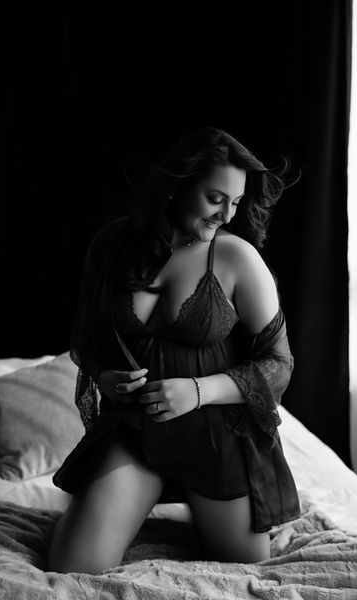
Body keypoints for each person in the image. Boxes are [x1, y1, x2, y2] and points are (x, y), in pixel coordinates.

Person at [47, 126, 300, 574]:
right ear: (179, 184)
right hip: (137, 431)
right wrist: (107, 377)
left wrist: (197, 391)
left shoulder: (236, 257)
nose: (226, 214)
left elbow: (279, 364)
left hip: (218, 438)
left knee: (245, 568)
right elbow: (89, 339)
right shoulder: (111, 246)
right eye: (215, 198)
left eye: (236, 202)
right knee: (71, 566)